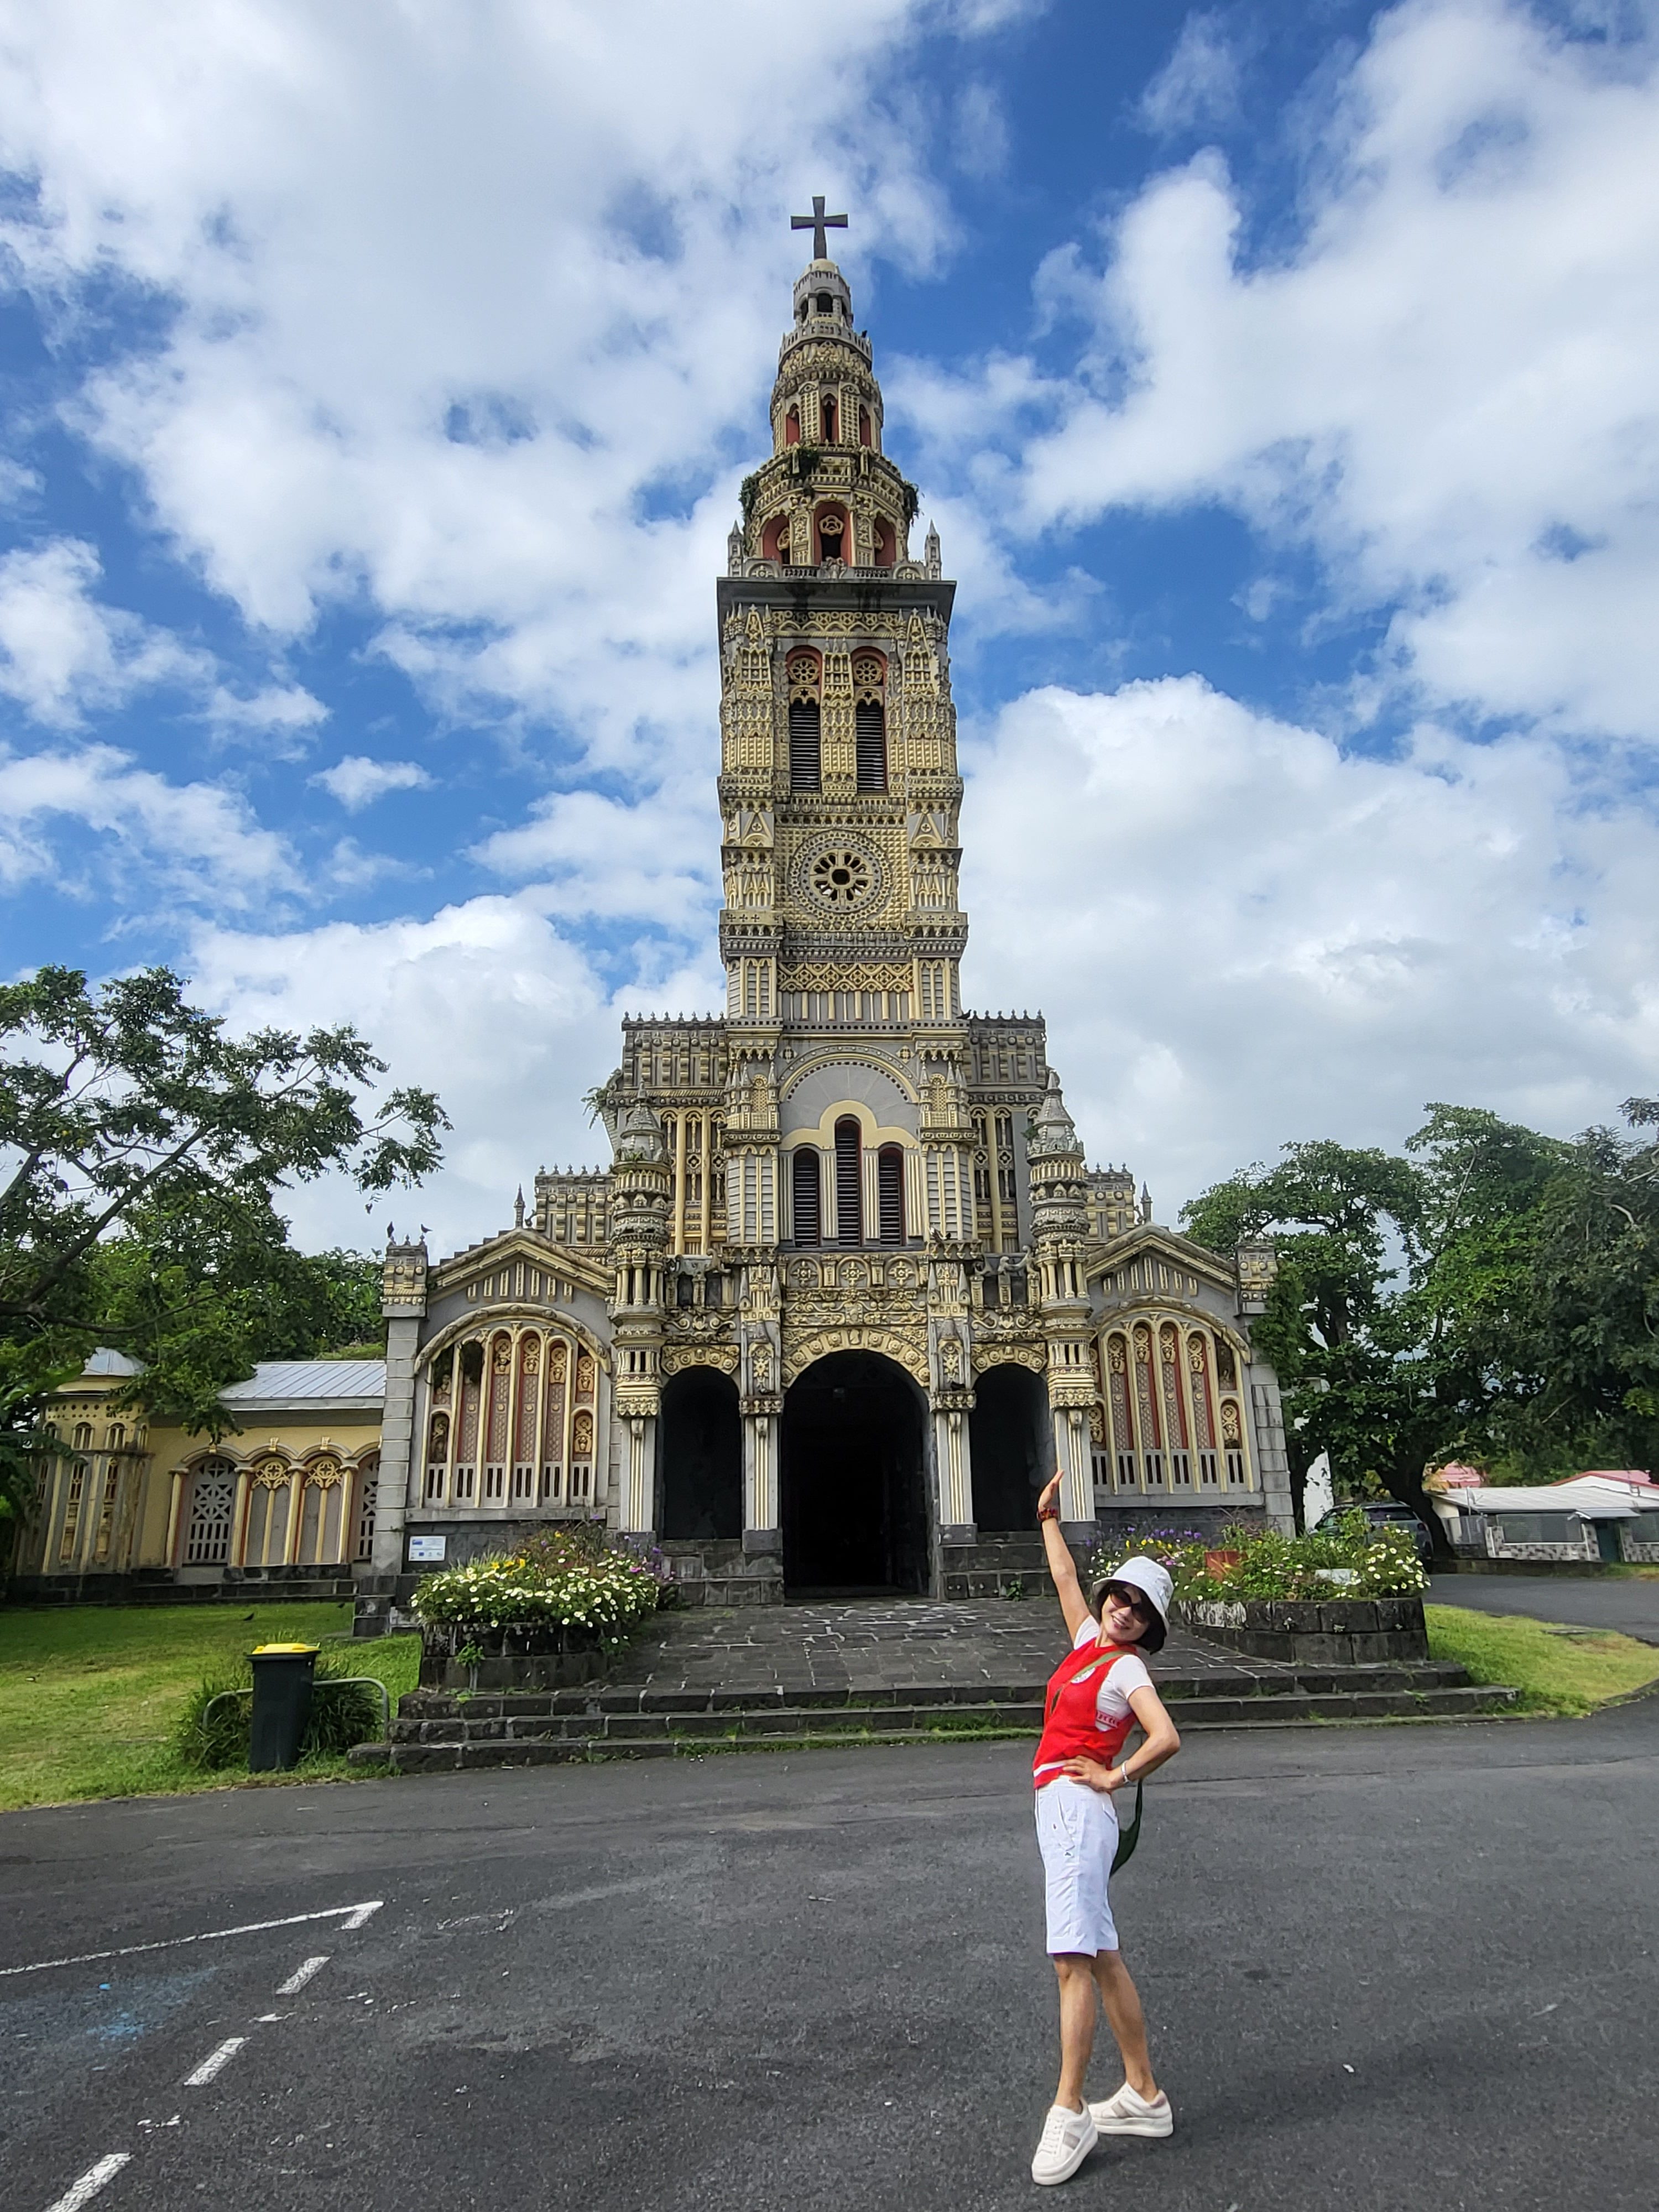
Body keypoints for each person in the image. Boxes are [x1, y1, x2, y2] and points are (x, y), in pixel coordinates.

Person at [1028, 1472, 1182, 2187]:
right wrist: (1048, 1519)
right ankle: (1144, 2095)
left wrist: (1116, 1776)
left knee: (1072, 1960)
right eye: (1120, 1596)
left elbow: (1166, 1737)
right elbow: (1064, 1580)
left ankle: (1070, 2109)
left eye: (1139, 1608)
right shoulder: (1088, 1640)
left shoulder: (1124, 1669)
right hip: (1060, 1804)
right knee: (1104, 1952)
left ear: (1150, 1626)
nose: (1124, 1610)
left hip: (1079, 1808)